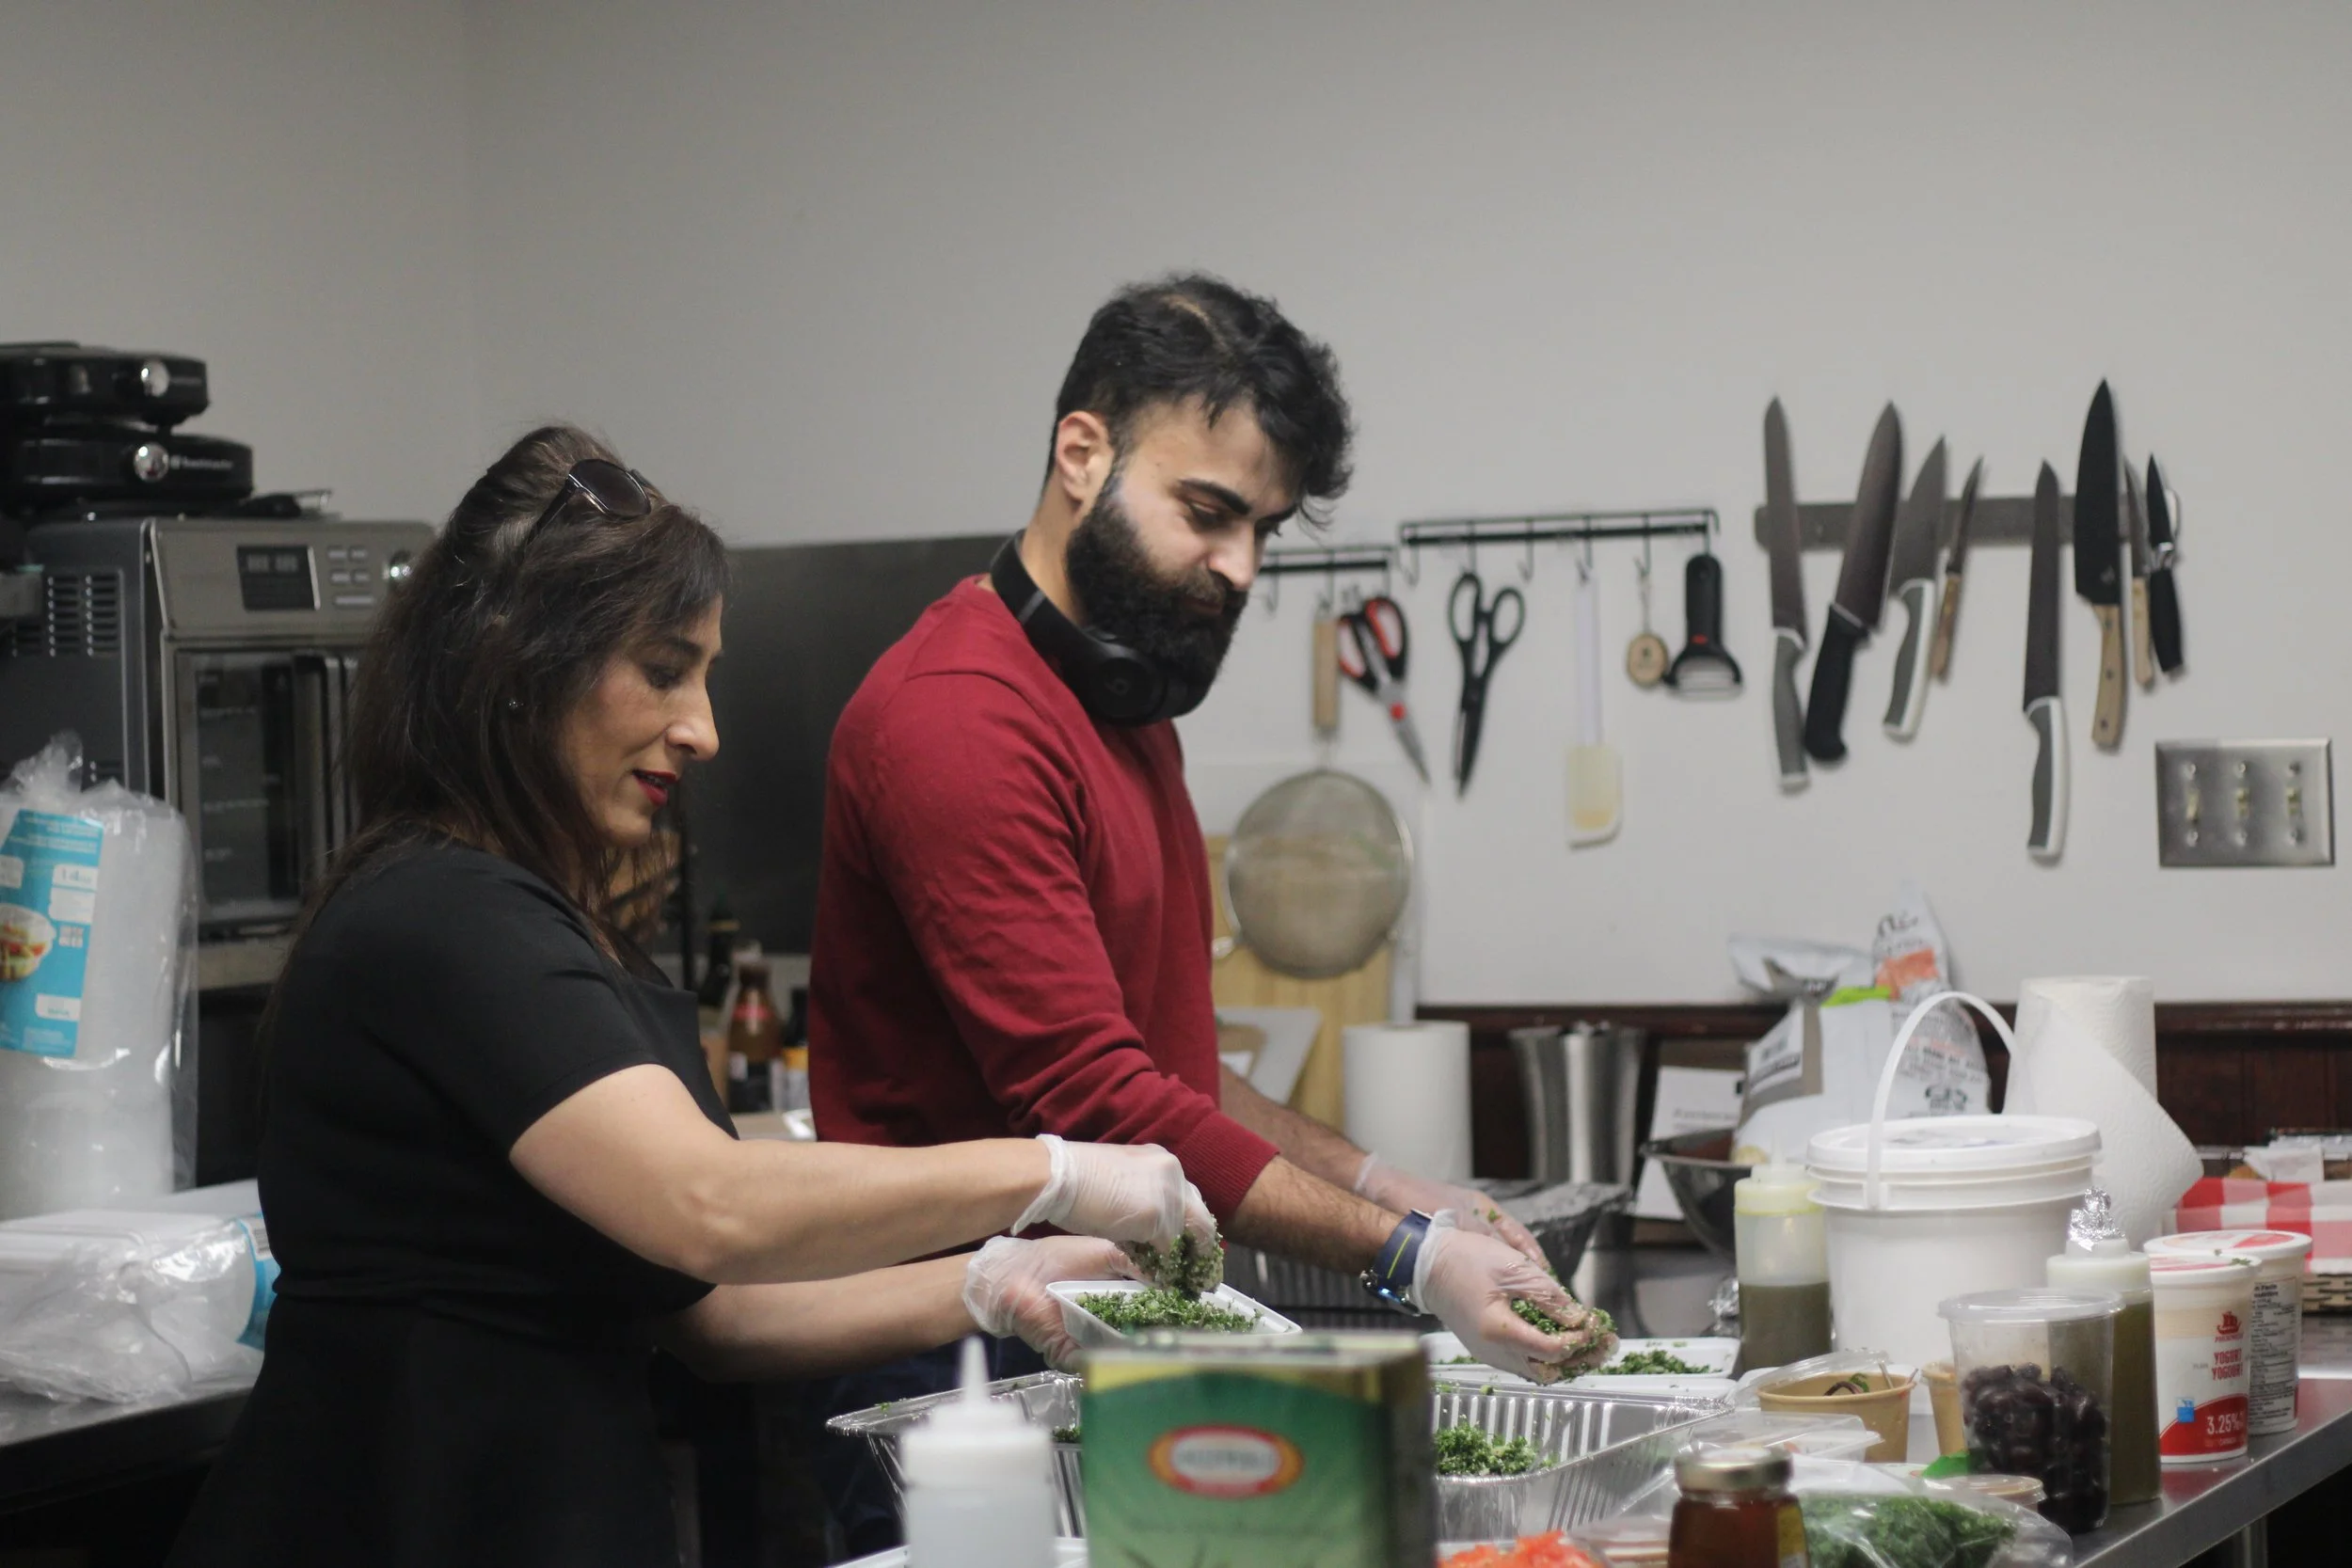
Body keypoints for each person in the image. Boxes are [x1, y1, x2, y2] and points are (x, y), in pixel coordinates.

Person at [168, 426, 1206, 1568]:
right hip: (400, 1518)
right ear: (521, 661)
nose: (704, 727)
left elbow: (711, 1309)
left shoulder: (544, 930)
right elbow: (708, 1202)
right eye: (665, 669)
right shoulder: (437, 919)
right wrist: (1057, 1169)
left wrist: (994, 1285)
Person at [809, 277, 1605, 1445]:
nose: (1240, 567)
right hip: (957, 1367)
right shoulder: (957, 717)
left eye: (1262, 530)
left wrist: (1389, 1184)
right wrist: (1409, 1260)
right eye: (1207, 510)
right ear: (1081, 452)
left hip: (1106, 1334)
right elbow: (1094, 1099)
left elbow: (1164, 1068)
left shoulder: (1128, 712)